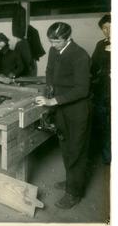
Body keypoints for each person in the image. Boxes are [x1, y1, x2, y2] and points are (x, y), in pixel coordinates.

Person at [35, 22, 91, 209]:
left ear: (68, 37)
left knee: (76, 150)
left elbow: (82, 90)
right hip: (61, 108)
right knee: (65, 145)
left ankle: (74, 193)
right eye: (50, 41)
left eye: (56, 41)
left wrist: (53, 101)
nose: (52, 45)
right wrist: (49, 88)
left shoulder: (80, 55)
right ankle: (70, 181)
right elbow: (49, 70)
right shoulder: (54, 50)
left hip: (77, 110)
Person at [90, 14, 111, 165]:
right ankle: (107, 157)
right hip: (102, 91)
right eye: (104, 28)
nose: (108, 30)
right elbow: (93, 66)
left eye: (111, 26)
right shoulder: (100, 45)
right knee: (103, 124)